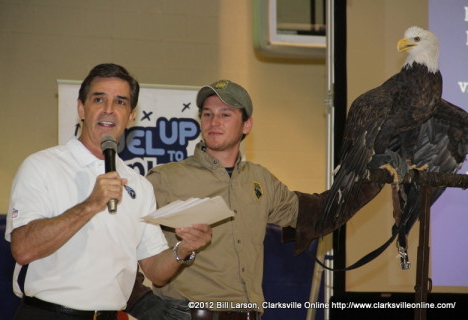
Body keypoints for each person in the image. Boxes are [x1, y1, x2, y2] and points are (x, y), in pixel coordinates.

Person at [126, 79, 385, 320]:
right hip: (188, 313)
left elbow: (316, 215)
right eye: (207, 114)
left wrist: (370, 181)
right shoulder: (165, 179)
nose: (214, 121)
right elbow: (119, 242)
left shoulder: (260, 180)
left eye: (225, 114)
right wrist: (141, 302)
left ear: (246, 125)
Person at [4, 63, 212, 320]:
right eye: (99, 99)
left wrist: (183, 249)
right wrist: (90, 204)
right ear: (81, 108)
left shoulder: (138, 184)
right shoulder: (42, 166)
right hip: (48, 313)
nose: (109, 110)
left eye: (120, 102)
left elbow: (155, 271)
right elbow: (23, 249)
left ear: (131, 115)